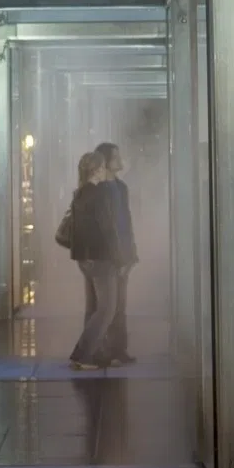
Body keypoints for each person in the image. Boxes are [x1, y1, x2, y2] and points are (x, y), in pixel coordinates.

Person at [65, 153, 121, 369]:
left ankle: (95, 353)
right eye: (103, 167)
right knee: (107, 308)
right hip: (100, 257)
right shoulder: (99, 194)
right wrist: (118, 257)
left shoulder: (80, 193)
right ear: (97, 170)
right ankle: (83, 355)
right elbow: (107, 229)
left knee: (94, 307)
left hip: (85, 258)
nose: (105, 170)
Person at [95, 141, 138, 366]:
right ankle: (101, 349)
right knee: (104, 305)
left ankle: (118, 349)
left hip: (122, 254)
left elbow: (126, 220)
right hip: (105, 256)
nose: (120, 160)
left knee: (120, 304)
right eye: (116, 157)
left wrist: (132, 251)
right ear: (107, 162)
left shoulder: (121, 188)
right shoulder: (98, 189)